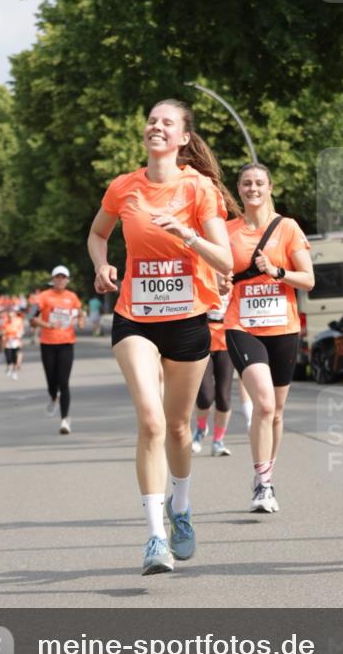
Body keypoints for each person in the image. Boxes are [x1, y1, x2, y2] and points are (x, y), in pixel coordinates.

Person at [87, 98, 235, 575]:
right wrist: (101, 264)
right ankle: (154, 537)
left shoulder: (199, 189)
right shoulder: (123, 187)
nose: (156, 126)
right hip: (135, 318)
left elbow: (226, 261)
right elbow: (97, 234)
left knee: (176, 428)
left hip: (188, 321)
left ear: (183, 138)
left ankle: (182, 508)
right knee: (150, 422)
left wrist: (187, 236)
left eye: (166, 123)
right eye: (151, 119)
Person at [224, 163, 314, 513]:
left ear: (270, 187)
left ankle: (268, 475)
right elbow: (218, 272)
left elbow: (308, 279)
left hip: (283, 327)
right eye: (246, 183)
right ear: (239, 189)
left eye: (259, 182)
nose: (253, 188)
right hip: (242, 325)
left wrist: (277, 272)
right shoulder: (228, 231)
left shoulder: (288, 228)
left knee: (276, 412)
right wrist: (220, 282)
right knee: (262, 403)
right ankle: (262, 484)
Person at [31, 266, 85, 435]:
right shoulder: (43, 297)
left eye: (63, 278)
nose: (60, 280)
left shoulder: (72, 297)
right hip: (47, 343)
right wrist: (47, 325)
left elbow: (80, 313)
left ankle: (65, 419)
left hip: (67, 343)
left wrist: (81, 321)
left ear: (67, 280)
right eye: (57, 277)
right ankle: (53, 396)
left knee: (64, 382)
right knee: (51, 382)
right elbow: (32, 318)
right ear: (53, 279)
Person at [192, 292, 234, 456]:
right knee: (205, 396)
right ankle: (201, 429)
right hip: (203, 338)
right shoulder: (204, 272)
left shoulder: (233, 276)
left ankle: (218, 441)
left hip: (227, 339)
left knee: (223, 397)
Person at [2, 308, 24, 380]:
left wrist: (18, 335)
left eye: (12, 316)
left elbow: (21, 331)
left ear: (14, 315)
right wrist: (5, 336)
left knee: (15, 358)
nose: (10, 318)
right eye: (9, 316)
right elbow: (2, 332)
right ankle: (8, 368)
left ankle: (14, 372)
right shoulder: (5, 322)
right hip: (7, 343)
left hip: (16, 343)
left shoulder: (19, 321)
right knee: (8, 358)